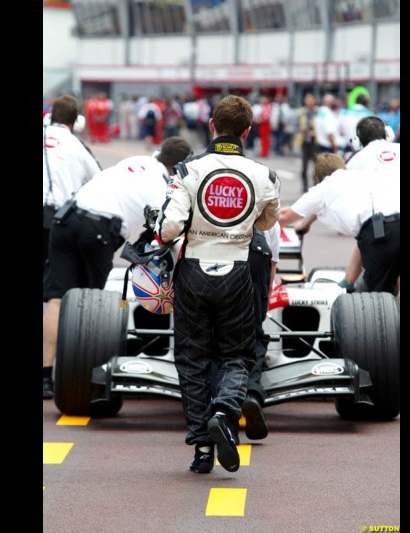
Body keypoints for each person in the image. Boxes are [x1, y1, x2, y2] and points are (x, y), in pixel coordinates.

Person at [155, 95, 281, 474]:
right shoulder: (265, 175)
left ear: (211, 125)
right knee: (238, 354)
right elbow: (265, 224)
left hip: (193, 272)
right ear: (246, 132)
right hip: (238, 272)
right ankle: (225, 411)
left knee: (192, 359)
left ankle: (202, 451)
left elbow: (168, 229)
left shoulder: (186, 171)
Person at [42, 136, 193, 399]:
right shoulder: (164, 189)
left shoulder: (136, 161)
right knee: (91, 311)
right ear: (178, 168)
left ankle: (44, 377)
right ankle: (84, 380)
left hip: (66, 220)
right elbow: (167, 238)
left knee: (57, 299)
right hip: (99, 229)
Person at [278, 159, 399, 295]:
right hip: (388, 224)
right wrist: (348, 281)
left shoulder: (324, 187)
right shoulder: (360, 177)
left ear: (318, 178)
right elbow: (363, 240)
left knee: (378, 299)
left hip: (380, 232)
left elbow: (285, 218)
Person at [43, 95, 102, 276]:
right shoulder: (79, 147)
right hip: (55, 219)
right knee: (57, 279)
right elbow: (99, 180)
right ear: (77, 122)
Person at [241, 222, 280, 441]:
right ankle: (251, 393)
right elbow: (271, 266)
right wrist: (261, 309)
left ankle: (217, 397)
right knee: (253, 333)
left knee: (213, 329)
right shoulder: (269, 217)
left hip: (211, 258)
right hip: (257, 253)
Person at [297, 92, 318, 192]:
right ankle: (304, 187)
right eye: (307, 99)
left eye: (310, 99)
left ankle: (315, 185)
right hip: (304, 141)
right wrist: (304, 130)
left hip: (315, 141)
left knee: (316, 165)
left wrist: (314, 132)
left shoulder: (318, 112)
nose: (308, 102)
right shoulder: (302, 112)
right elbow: (298, 125)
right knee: (304, 166)